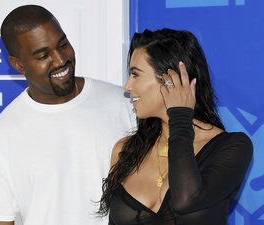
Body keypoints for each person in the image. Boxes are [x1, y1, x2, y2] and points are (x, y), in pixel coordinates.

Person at [0, 5, 135, 225]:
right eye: (43, 55)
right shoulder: (1, 136)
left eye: (63, 44)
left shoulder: (125, 105)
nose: (60, 60)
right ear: (18, 65)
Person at [98, 28, 253, 225]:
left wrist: (180, 116)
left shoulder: (232, 147)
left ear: (171, 80)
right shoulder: (125, 150)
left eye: (135, 75)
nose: (128, 87)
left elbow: (185, 200)